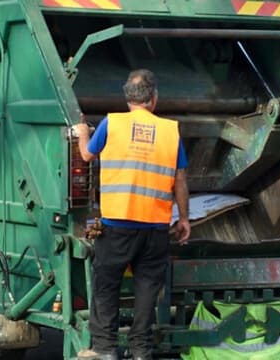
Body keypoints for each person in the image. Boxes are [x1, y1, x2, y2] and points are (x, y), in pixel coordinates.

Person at [74, 69, 191, 360]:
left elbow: (87, 155)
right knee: (147, 291)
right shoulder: (170, 131)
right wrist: (185, 219)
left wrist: (83, 133)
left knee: (106, 285)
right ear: (154, 99)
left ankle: (105, 348)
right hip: (155, 227)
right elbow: (180, 179)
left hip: (117, 224)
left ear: (128, 99)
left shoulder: (111, 124)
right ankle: (140, 350)